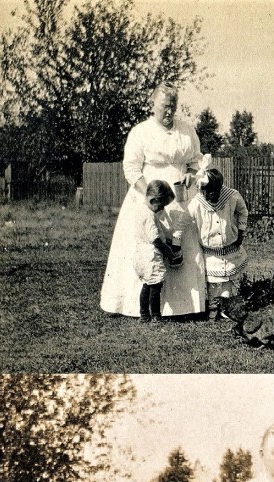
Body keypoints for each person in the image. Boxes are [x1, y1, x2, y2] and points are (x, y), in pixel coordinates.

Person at [100, 82, 206, 318]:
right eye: (165, 107)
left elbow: (195, 161)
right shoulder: (141, 132)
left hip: (180, 197)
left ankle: (185, 307)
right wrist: (148, 194)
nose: (169, 112)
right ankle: (137, 306)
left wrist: (190, 174)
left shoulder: (187, 130)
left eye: (173, 107)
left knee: (182, 242)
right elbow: (131, 168)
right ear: (153, 105)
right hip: (148, 198)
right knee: (148, 245)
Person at [188, 161, 249, 320]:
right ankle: (213, 308)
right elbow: (184, 220)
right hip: (211, 251)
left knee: (228, 279)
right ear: (202, 190)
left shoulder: (232, 196)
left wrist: (241, 233)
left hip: (230, 246)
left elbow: (243, 212)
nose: (212, 195)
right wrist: (175, 239)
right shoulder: (197, 203)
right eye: (208, 192)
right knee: (213, 281)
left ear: (220, 187)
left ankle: (226, 308)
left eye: (215, 191)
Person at [133, 179, 175, 323]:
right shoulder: (149, 215)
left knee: (147, 285)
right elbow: (154, 238)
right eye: (161, 205)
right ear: (154, 200)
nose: (162, 209)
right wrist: (167, 249)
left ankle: (144, 315)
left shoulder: (140, 210)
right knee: (156, 285)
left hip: (141, 253)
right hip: (151, 254)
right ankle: (156, 315)